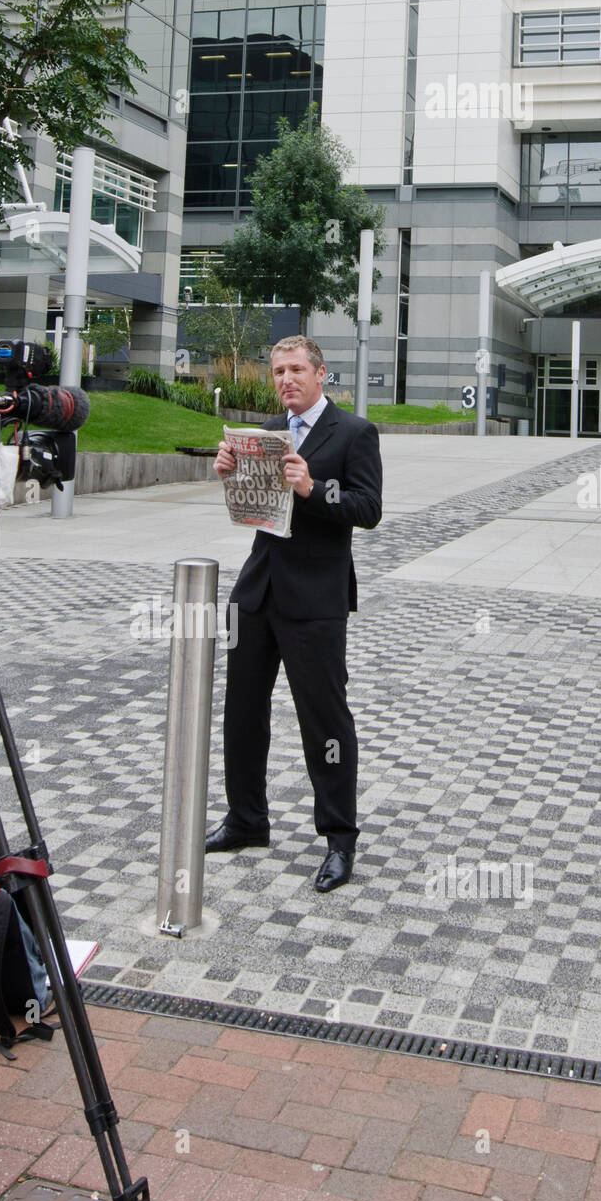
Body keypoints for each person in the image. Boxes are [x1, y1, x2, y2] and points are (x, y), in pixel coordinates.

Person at [206, 335, 382, 893]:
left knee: (324, 722)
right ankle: (246, 819)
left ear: (320, 374)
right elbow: (255, 504)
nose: (286, 379)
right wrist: (229, 471)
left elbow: (369, 509)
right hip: (257, 592)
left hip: (316, 600)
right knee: (242, 712)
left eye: (297, 369)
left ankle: (338, 838)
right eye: (278, 371)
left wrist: (314, 488)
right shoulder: (264, 432)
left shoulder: (354, 432)